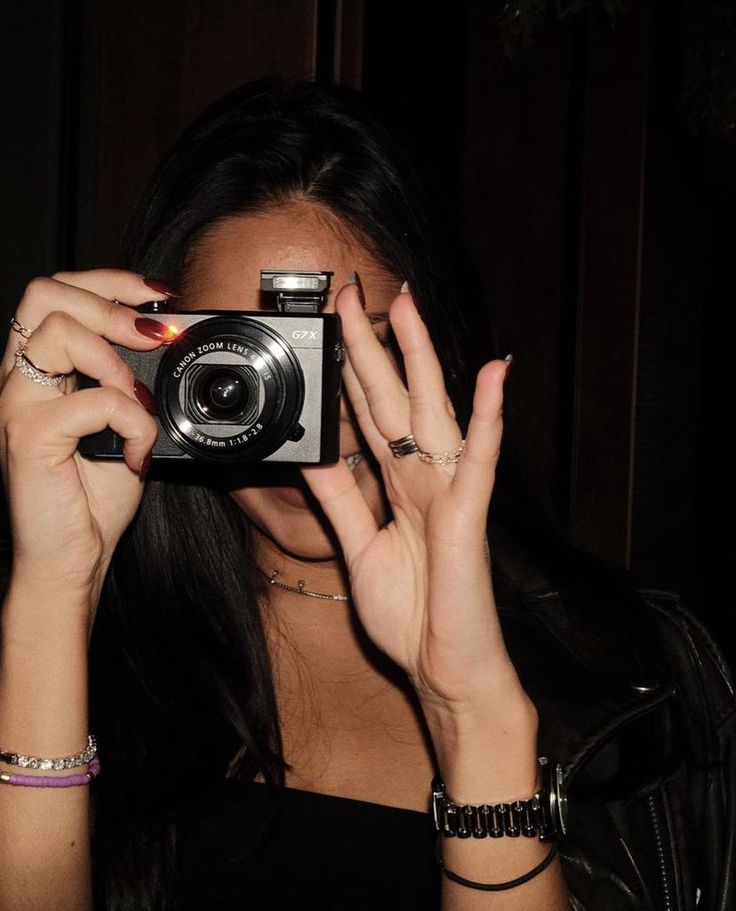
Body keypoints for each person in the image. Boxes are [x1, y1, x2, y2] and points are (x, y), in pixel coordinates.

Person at [0, 81, 732, 911]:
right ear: (160, 365)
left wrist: (476, 716)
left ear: (440, 350)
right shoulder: (94, 644)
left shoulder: (645, 675)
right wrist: (53, 602)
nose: (311, 422)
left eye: (350, 354)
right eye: (249, 371)